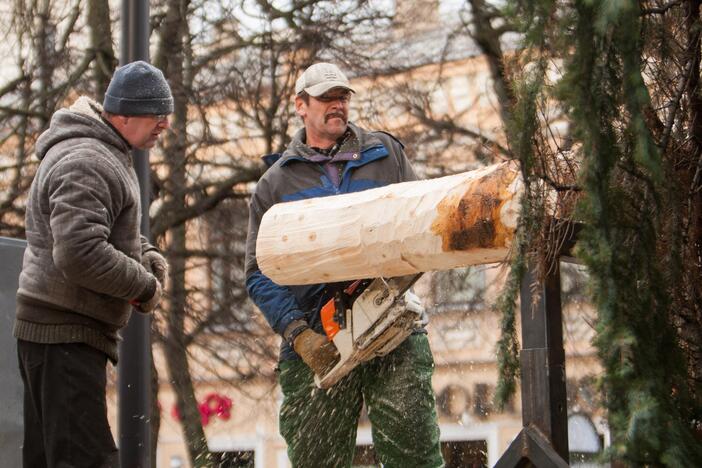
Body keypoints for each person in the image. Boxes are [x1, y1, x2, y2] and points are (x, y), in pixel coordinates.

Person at [245, 62, 444, 467]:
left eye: (342, 97)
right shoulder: (276, 183)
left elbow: (423, 219)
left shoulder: (384, 154)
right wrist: (298, 334)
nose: (337, 106)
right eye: (325, 99)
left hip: (390, 320)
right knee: (317, 460)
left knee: (415, 456)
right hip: (317, 336)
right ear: (301, 106)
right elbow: (258, 272)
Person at [14, 60, 172, 467]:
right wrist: (143, 285)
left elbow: (99, 230)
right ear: (121, 114)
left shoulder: (98, 152)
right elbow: (79, 251)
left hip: (56, 333)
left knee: (49, 458)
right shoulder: (89, 159)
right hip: (63, 333)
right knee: (86, 460)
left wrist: (143, 253)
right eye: (156, 114)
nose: (164, 124)